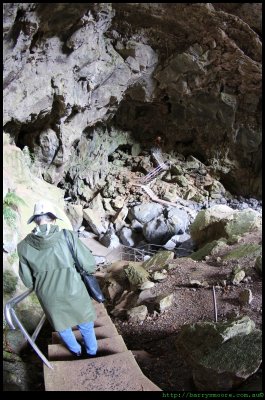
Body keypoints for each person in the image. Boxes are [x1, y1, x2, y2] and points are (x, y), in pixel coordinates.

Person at [17, 199, 98, 357]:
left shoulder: (23, 246)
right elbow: (89, 265)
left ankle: (76, 351)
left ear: (35, 221)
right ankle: (92, 352)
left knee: (62, 327)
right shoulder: (67, 236)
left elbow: (27, 281)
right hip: (74, 290)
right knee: (85, 324)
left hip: (49, 297)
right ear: (53, 219)